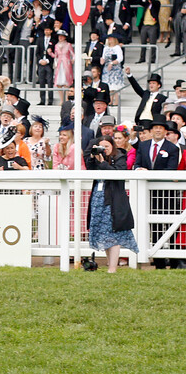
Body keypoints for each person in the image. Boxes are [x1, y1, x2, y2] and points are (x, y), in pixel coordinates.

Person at [85, 135, 138, 273]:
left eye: (107, 147)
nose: (104, 150)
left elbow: (117, 174)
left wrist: (103, 163)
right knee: (105, 233)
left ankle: (112, 268)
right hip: (98, 198)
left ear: (112, 146)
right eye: (102, 147)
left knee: (113, 234)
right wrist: (93, 157)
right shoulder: (97, 158)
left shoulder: (120, 157)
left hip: (114, 201)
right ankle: (110, 265)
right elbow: (89, 169)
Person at [53, 29, 74, 103]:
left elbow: (73, 54)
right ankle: (62, 100)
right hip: (59, 63)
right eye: (59, 36)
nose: (60, 38)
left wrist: (73, 59)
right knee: (59, 82)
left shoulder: (68, 45)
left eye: (62, 36)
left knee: (66, 82)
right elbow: (55, 55)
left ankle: (66, 99)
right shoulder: (56, 45)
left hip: (66, 63)